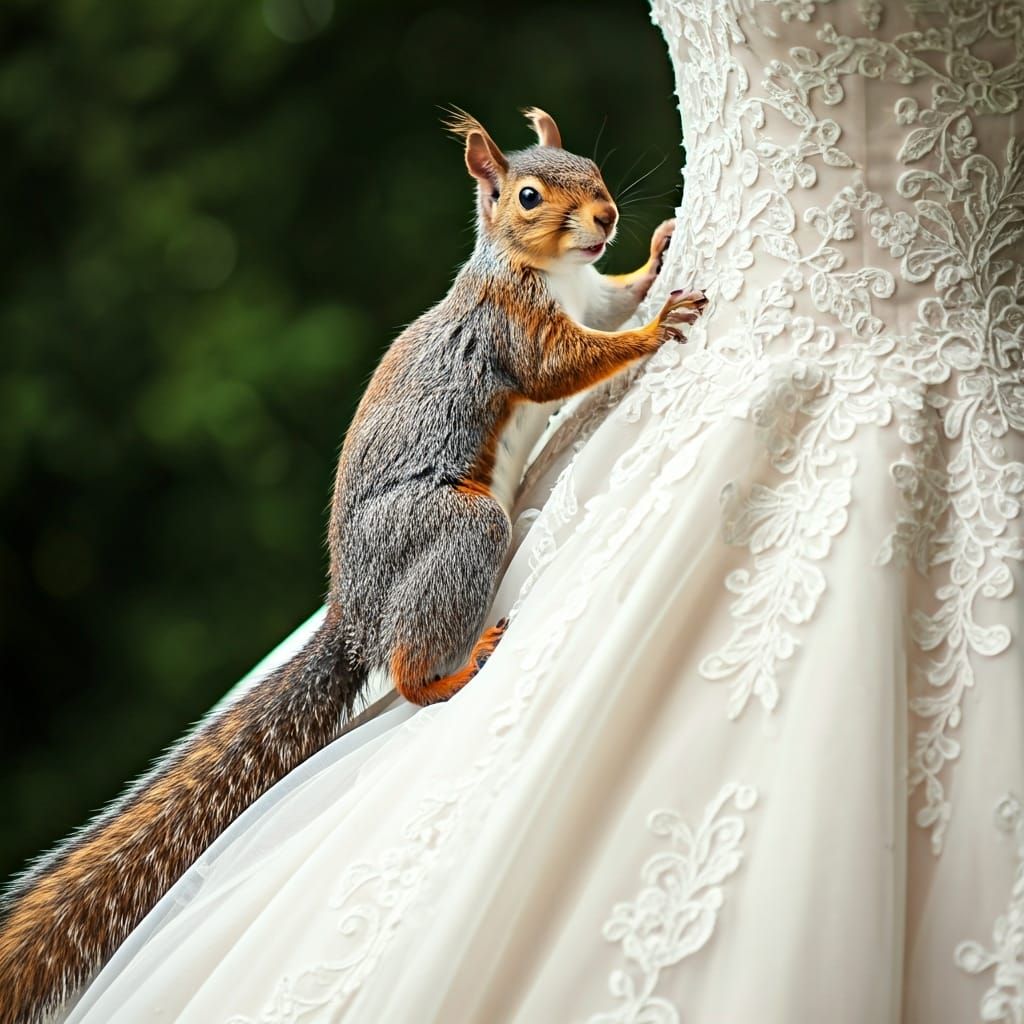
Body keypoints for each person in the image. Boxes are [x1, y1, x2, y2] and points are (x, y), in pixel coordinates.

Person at [61, 0, 1024, 1020]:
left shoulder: (548, 276)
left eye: (593, 195)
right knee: (477, 531)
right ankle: (425, 669)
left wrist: (642, 288)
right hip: (436, 499)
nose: (591, 216)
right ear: (491, 197)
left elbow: (590, 304)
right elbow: (552, 360)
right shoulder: (502, 300)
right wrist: (648, 339)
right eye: (545, 199)